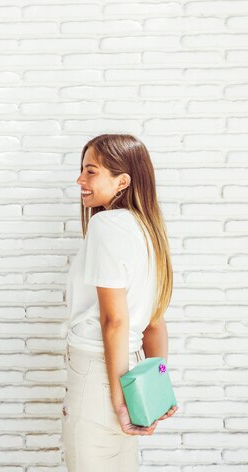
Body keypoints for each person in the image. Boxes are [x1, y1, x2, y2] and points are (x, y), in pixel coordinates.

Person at [62, 134, 178, 471]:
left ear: (122, 181)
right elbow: (154, 322)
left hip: (98, 372)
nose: (80, 180)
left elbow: (114, 320)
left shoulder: (106, 225)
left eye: (91, 171)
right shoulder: (148, 229)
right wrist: (155, 388)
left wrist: (118, 398)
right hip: (129, 368)